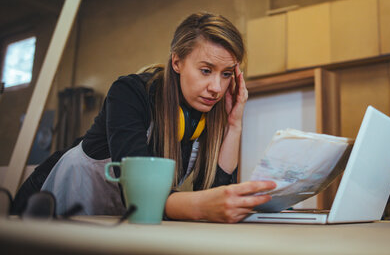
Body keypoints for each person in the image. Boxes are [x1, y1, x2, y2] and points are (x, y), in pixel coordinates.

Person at [14, 12, 276, 223]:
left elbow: (213, 189)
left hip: (114, 221)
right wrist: (203, 206)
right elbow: (137, 195)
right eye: (206, 70)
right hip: (46, 205)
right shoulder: (130, 92)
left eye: (227, 74)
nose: (217, 88)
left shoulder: (206, 110)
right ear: (177, 62)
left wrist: (234, 124)